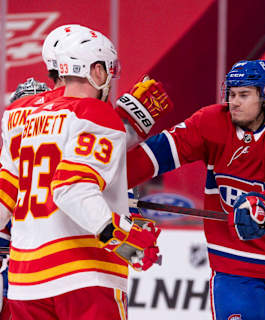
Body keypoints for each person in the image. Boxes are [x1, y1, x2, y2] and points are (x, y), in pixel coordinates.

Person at [126, 59, 265, 319]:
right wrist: (117, 179)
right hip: (236, 266)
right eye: (231, 94)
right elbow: (160, 152)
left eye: (244, 95)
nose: (234, 101)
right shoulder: (211, 122)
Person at [2, 28, 161, 320]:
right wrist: (124, 237)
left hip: (25, 282)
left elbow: (7, 190)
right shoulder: (96, 114)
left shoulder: (18, 114)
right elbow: (72, 188)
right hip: (84, 275)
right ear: (97, 70)